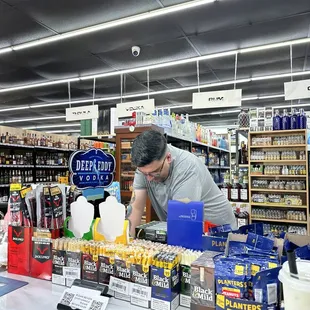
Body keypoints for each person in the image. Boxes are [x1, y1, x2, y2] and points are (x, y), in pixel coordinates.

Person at [126, 130, 237, 236]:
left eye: (155, 172)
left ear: (168, 158)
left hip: (218, 231)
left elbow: (182, 220)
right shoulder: (146, 168)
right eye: (144, 173)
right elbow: (136, 207)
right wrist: (127, 242)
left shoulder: (187, 168)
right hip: (188, 227)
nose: (149, 178)